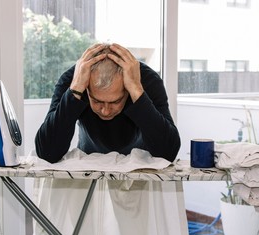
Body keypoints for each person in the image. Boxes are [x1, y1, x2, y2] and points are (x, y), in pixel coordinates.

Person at [35, 43, 180, 163]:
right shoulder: (73, 81)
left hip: (139, 168)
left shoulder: (148, 81)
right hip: (89, 166)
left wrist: (137, 91)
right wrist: (75, 91)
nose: (105, 111)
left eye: (115, 101)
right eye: (97, 101)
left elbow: (168, 153)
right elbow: (47, 153)